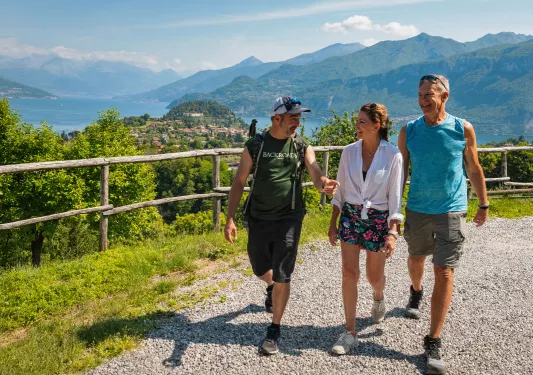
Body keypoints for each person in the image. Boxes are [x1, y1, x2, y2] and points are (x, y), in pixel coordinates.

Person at [224, 96, 340, 355]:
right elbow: (239, 181)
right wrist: (230, 218)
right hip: (258, 217)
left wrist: (324, 183)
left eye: (300, 117)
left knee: (283, 273)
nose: (298, 123)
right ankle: (270, 286)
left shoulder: (301, 146)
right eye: (293, 118)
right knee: (258, 266)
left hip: (290, 216)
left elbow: (314, 169)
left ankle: (274, 329)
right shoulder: (256, 146)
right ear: (277, 118)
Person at [398, 74, 489, 374]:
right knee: (416, 259)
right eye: (420, 94)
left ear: (444, 96)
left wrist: (483, 203)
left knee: (445, 271)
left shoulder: (462, 129)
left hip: (452, 209)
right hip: (418, 209)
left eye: (429, 94)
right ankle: (416, 290)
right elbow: (400, 174)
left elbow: (473, 168)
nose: (423, 99)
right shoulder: (408, 130)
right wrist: (393, 212)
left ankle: (433, 339)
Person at [328, 103, 404, 355]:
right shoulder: (348, 152)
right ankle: (349, 332)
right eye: (357, 121)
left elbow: (395, 198)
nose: (357, 125)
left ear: (376, 126)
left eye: (362, 122)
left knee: (374, 277)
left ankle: (379, 297)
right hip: (350, 215)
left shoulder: (393, 155)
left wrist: (392, 232)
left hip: (378, 219)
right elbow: (339, 191)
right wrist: (332, 222)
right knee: (349, 274)